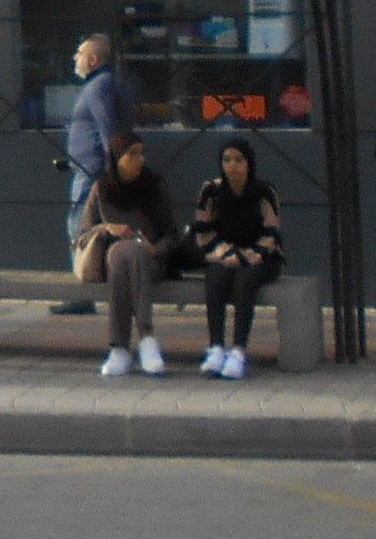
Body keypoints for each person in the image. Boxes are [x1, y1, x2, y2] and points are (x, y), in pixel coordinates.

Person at [183, 137, 283, 380]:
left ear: (249, 163)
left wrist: (245, 257)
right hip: (222, 255)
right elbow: (203, 232)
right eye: (227, 160)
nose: (233, 166)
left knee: (244, 282)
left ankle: (238, 351)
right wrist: (227, 255)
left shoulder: (264, 192)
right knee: (215, 277)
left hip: (262, 258)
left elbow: (272, 234)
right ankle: (216, 347)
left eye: (239, 160)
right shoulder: (211, 191)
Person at [80, 132, 176, 378]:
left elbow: (171, 234)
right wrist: (109, 228)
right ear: (117, 158)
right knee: (123, 251)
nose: (139, 159)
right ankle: (146, 339)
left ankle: (120, 348)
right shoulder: (102, 189)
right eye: (132, 154)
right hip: (114, 262)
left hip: (151, 261)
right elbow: (83, 235)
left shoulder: (154, 186)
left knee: (131, 252)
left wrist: (156, 248)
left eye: (142, 153)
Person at [58, 35, 136, 314]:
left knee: (79, 226)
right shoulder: (109, 84)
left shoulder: (98, 87)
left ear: (94, 59)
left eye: (79, 54)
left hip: (92, 172)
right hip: (91, 168)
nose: (75, 58)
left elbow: (108, 130)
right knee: (97, 227)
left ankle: (84, 294)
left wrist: (112, 169)